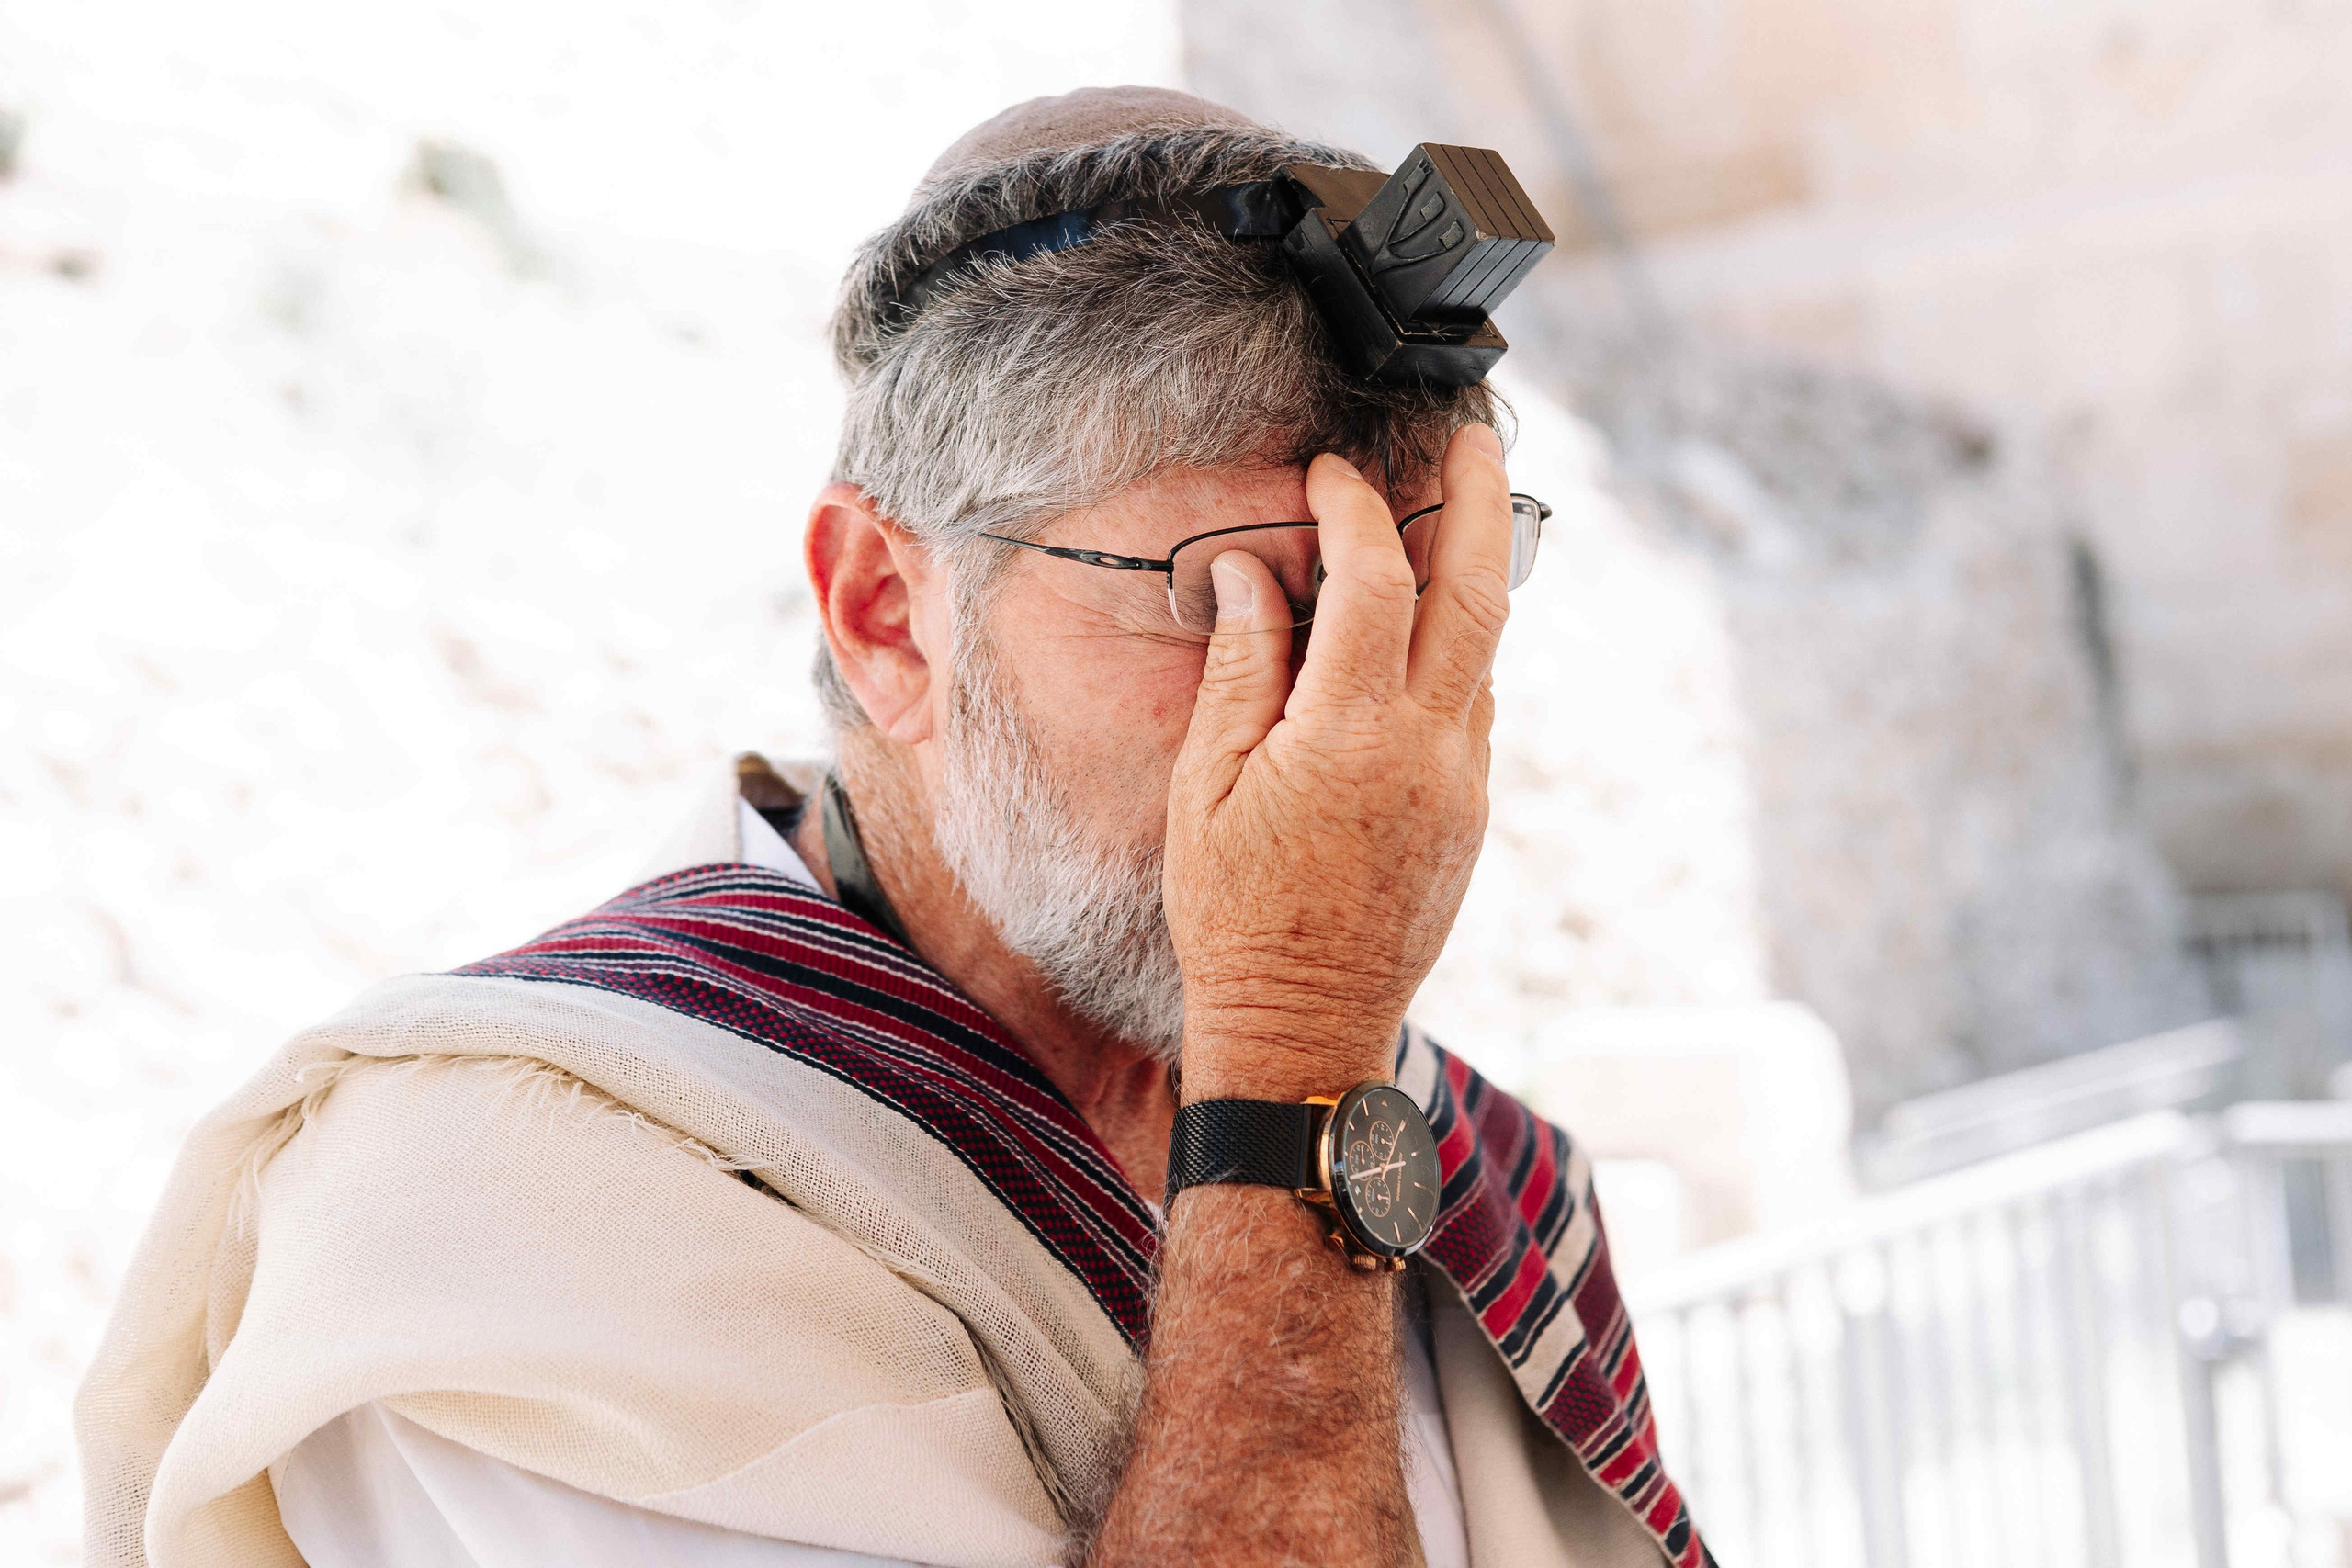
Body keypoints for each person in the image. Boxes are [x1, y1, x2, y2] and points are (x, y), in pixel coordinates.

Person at [77, 87, 1705, 1568]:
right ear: (889, 616)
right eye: (1229, 601)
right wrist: (1289, 1064)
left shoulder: (1450, 1154)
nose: (1350, 727)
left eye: (1408, 607)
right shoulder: (484, 1229)